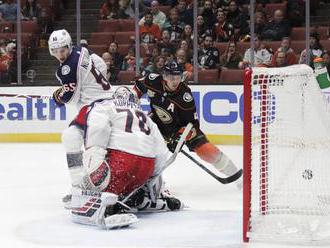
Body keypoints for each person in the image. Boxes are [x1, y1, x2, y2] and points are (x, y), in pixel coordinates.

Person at [70, 87, 183, 229]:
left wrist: (94, 168)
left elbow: (99, 129)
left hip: (121, 163)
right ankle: (136, 198)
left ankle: (109, 205)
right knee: (130, 186)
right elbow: (161, 152)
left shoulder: (104, 105)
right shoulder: (144, 115)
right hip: (145, 169)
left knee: (98, 184)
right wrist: (150, 179)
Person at [132, 61, 242, 188]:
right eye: (171, 77)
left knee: (207, 151)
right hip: (157, 123)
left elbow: (191, 125)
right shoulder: (153, 80)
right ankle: (144, 180)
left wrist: (178, 139)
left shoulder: (185, 97)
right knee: (143, 145)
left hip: (181, 128)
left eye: (177, 77)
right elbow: (139, 86)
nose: (174, 81)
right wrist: (134, 98)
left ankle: (239, 178)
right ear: (164, 76)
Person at [48, 29, 113, 203]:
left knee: (78, 141)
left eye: (62, 49)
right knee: (74, 137)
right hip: (110, 101)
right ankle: (82, 185)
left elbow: (71, 98)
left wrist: (58, 97)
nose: (59, 54)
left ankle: (85, 186)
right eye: (55, 51)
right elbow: (100, 64)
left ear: (68, 46)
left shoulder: (67, 69)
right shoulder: (82, 50)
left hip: (95, 107)